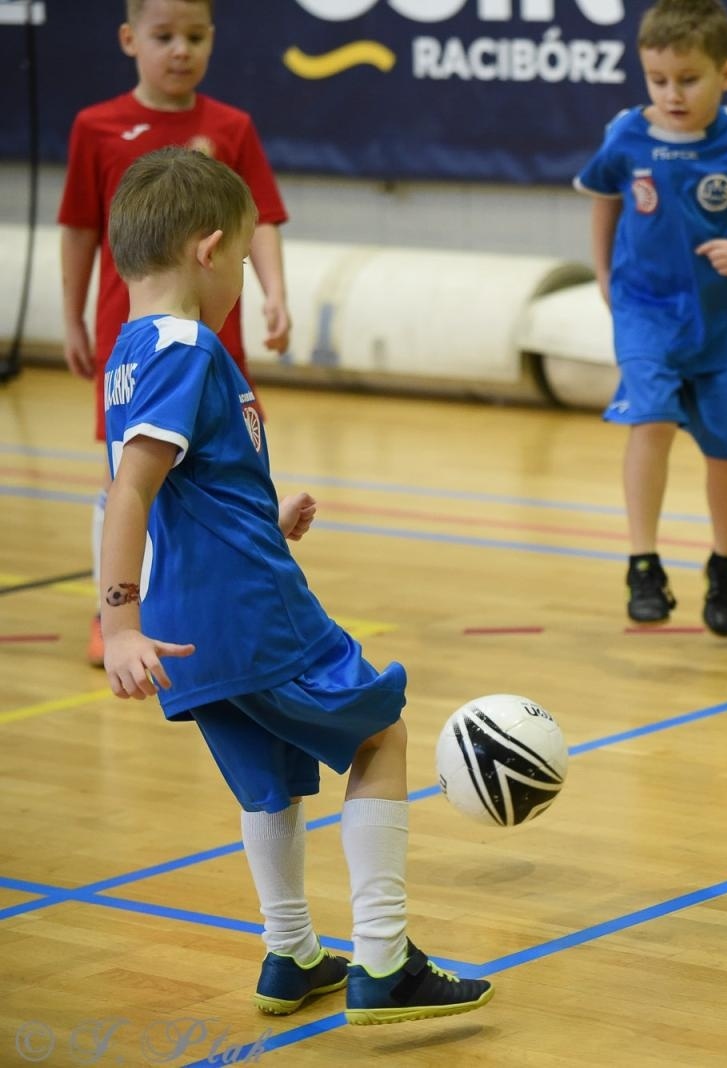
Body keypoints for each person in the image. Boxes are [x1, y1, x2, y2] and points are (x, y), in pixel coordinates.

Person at [98, 147, 491, 1025]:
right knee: (380, 733)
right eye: (242, 257)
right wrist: (116, 623)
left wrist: (261, 517)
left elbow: (183, 490)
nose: (242, 275)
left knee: (269, 782)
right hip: (249, 609)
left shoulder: (130, 349)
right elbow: (132, 490)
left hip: (194, 616)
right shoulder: (186, 346)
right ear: (207, 250)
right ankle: (384, 960)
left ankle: (292, 954)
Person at [574, 0, 727, 636]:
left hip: (723, 322)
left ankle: (725, 562)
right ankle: (642, 563)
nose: (672, 94)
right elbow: (603, 199)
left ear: (726, 73)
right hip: (645, 311)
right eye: (658, 80)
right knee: (649, 419)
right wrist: (604, 275)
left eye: (688, 79)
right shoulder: (626, 134)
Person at [60, 0, 291, 669]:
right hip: (133, 338)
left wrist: (274, 291)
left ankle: (226, 584)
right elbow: (79, 227)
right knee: (128, 474)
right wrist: (72, 315)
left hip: (214, 335)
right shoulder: (96, 126)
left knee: (218, 458)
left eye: (194, 36)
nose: (180, 50)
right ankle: (115, 613)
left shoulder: (231, 126)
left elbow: (260, 221)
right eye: (164, 36)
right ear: (129, 39)